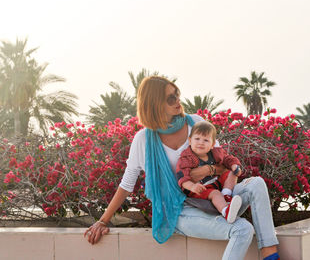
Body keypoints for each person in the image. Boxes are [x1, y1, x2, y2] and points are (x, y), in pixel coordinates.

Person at [84, 76, 280, 260]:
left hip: (213, 193)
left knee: (256, 184)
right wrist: (103, 220)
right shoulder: (143, 140)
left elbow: (222, 163)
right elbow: (127, 184)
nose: (178, 100)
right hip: (179, 210)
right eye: (170, 98)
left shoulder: (195, 122)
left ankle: (270, 253)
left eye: (177, 94)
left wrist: (205, 172)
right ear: (154, 104)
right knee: (243, 229)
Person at [176, 121, 243, 224]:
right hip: (199, 189)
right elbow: (183, 178)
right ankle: (226, 211)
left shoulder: (216, 153)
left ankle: (226, 195)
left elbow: (228, 158)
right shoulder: (186, 158)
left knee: (231, 173)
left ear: (212, 144)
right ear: (190, 141)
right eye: (197, 139)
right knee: (215, 194)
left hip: (215, 183)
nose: (201, 142)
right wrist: (192, 187)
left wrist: (235, 166)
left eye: (206, 140)